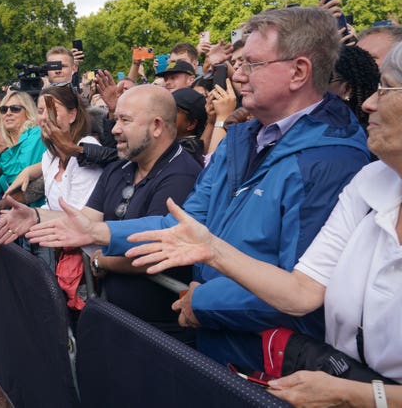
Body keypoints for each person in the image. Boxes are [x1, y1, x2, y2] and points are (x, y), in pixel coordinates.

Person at [27, 7, 370, 370]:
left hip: (265, 366)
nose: (238, 74)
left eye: (252, 64)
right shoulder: (241, 141)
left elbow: (300, 289)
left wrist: (203, 301)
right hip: (214, 344)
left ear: (299, 71)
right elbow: (185, 226)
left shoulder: (331, 160)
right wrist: (99, 230)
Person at [126, 41, 402, 408]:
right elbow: (302, 291)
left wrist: (362, 395)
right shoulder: (370, 181)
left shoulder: (334, 160)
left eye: (386, 88)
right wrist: (212, 250)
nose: (368, 103)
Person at [12, 85, 202, 333]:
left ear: (156, 126)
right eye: (115, 120)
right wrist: (36, 215)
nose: (114, 129)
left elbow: (152, 252)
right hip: (113, 311)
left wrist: (101, 261)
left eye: (124, 120)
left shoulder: (182, 175)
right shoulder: (120, 167)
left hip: (161, 328)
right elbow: (85, 221)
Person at [0, 83, 103, 272]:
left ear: (72, 115)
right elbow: (51, 206)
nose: (44, 118)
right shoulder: (49, 157)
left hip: (88, 263)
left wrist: (35, 216)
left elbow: (81, 219)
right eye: (41, 110)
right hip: (59, 252)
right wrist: (28, 214)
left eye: (52, 110)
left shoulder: (86, 148)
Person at [0, 90, 46, 203]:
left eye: (15, 108)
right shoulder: (4, 144)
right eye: (3, 110)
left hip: (37, 213)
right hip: (11, 213)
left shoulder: (36, 135)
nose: (8, 113)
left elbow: (19, 183)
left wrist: (1, 145)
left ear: (28, 111)